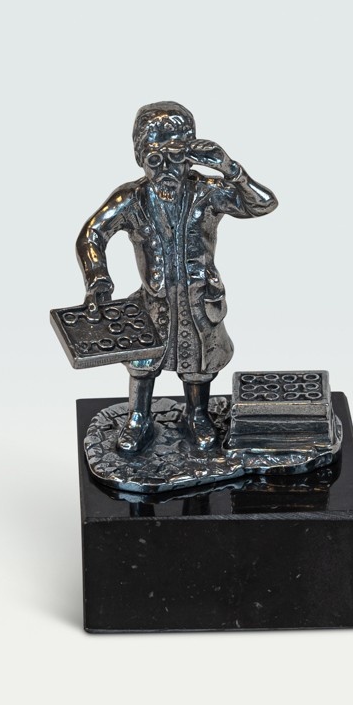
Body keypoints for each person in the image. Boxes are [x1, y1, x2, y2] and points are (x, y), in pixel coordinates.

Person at [76, 102, 278, 453]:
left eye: (177, 157)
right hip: (152, 302)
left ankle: (197, 415)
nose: (167, 169)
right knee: (142, 363)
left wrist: (230, 168)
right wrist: (97, 279)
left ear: (191, 156)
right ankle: (138, 418)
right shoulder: (132, 198)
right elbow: (92, 235)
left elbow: (262, 204)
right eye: (156, 159)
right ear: (140, 156)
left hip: (200, 299)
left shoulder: (207, 191)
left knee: (199, 362)